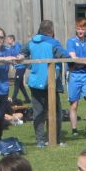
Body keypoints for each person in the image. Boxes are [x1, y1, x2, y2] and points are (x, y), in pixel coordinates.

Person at [22, 20, 67, 148]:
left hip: (35, 82)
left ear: (40, 30)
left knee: (38, 112)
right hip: (50, 81)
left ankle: (40, 141)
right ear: (51, 31)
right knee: (56, 112)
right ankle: (55, 139)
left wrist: (31, 65)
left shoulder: (31, 43)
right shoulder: (53, 43)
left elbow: (21, 54)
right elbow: (64, 55)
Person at [66, 18, 86, 139]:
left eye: (83, 28)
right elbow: (74, 59)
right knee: (74, 105)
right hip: (74, 75)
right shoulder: (71, 42)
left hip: (85, 75)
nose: (81, 31)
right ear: (76, 29)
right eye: (79, 28)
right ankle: (74, 130)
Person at [7, 34, 30, 103]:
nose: (7, 41)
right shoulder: (10, 49)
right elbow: (11, 58)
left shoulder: (18, 45)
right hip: (17, 67)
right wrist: (11, 66)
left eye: (8, 39)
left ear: (12, 39)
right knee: (20, 85)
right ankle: (27, 99)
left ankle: (13, 99)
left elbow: (24, 53)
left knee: (16, 83)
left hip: (21, 67)